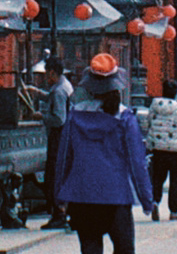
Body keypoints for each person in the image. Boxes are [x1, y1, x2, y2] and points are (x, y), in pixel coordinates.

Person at [54, 54, 152, 254]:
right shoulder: (125, 118)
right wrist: (146, 199)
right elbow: (136, 163)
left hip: (81, 197)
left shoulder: (74, 116)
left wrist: (59, 195)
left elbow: (63, 159)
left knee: (90, 249)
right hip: (117, 198)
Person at [143, 77, 177, 221]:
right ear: (176, 93)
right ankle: (174, 211)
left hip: (157, 148)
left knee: (157, 178)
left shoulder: (154, 106)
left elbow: (148, 124)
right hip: (175, 150)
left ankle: (155, 202)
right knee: (175, 181)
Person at [42, 59, 75, 230]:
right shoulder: (65, 85)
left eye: (46, 73)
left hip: (59, 137)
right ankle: (62, 211)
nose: (46, 77)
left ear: (53, 72)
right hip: (67, 137)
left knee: (53, 175)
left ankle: (58, 213)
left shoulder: (58, 91)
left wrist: (41, 117)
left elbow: (58, 118)